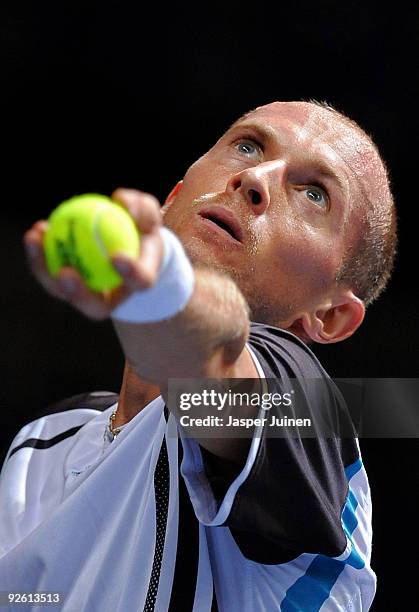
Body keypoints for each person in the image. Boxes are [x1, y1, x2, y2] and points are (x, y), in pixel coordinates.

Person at [0, 101, 397, 611]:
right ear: (172, 202)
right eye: (247, 145)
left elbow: (216, 373)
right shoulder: (41, 443)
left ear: (330, 316)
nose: (254, 177)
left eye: (315, 193)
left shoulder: (311, 418)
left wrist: (165, 292)